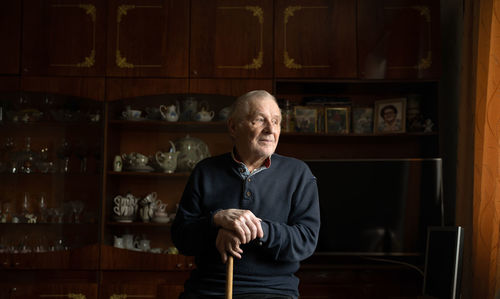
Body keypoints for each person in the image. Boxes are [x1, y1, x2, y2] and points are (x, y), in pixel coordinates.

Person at [171, 90, 320, 299]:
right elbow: (181, 238)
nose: (270, 129)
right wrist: (216, 221)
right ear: (233, 127)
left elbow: (306, 240)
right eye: (260, 120)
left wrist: (253, 228)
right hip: (208, 290)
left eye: (276, 121)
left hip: (273, 292)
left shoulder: (298, 173)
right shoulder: (205, 171)